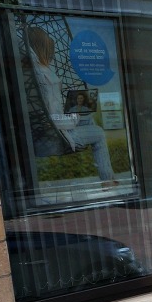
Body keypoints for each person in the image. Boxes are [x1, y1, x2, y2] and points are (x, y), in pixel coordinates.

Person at [27, 27, 116, 185]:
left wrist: (75, 114)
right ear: (44, 49)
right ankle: (107, 180)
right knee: (100, 133)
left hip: (50, 129)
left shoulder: (35, 72)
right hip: (59, 136)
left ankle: (106, 174)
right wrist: (74, 117)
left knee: (88, 117)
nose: (52, 54)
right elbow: (54, 119)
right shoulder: (45, 79)